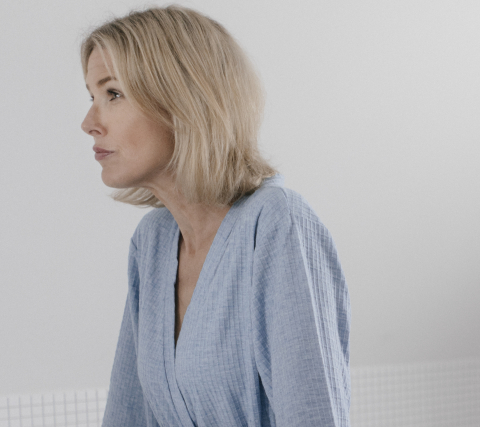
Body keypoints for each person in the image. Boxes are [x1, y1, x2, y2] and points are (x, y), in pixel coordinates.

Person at [80, 6, 350, 426]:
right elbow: (128, 413)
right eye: (91, 98)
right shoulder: (152, 243)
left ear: (181, 100)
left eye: (112, 94)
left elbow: (313, 416)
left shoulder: (275, 224)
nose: (89, 123)